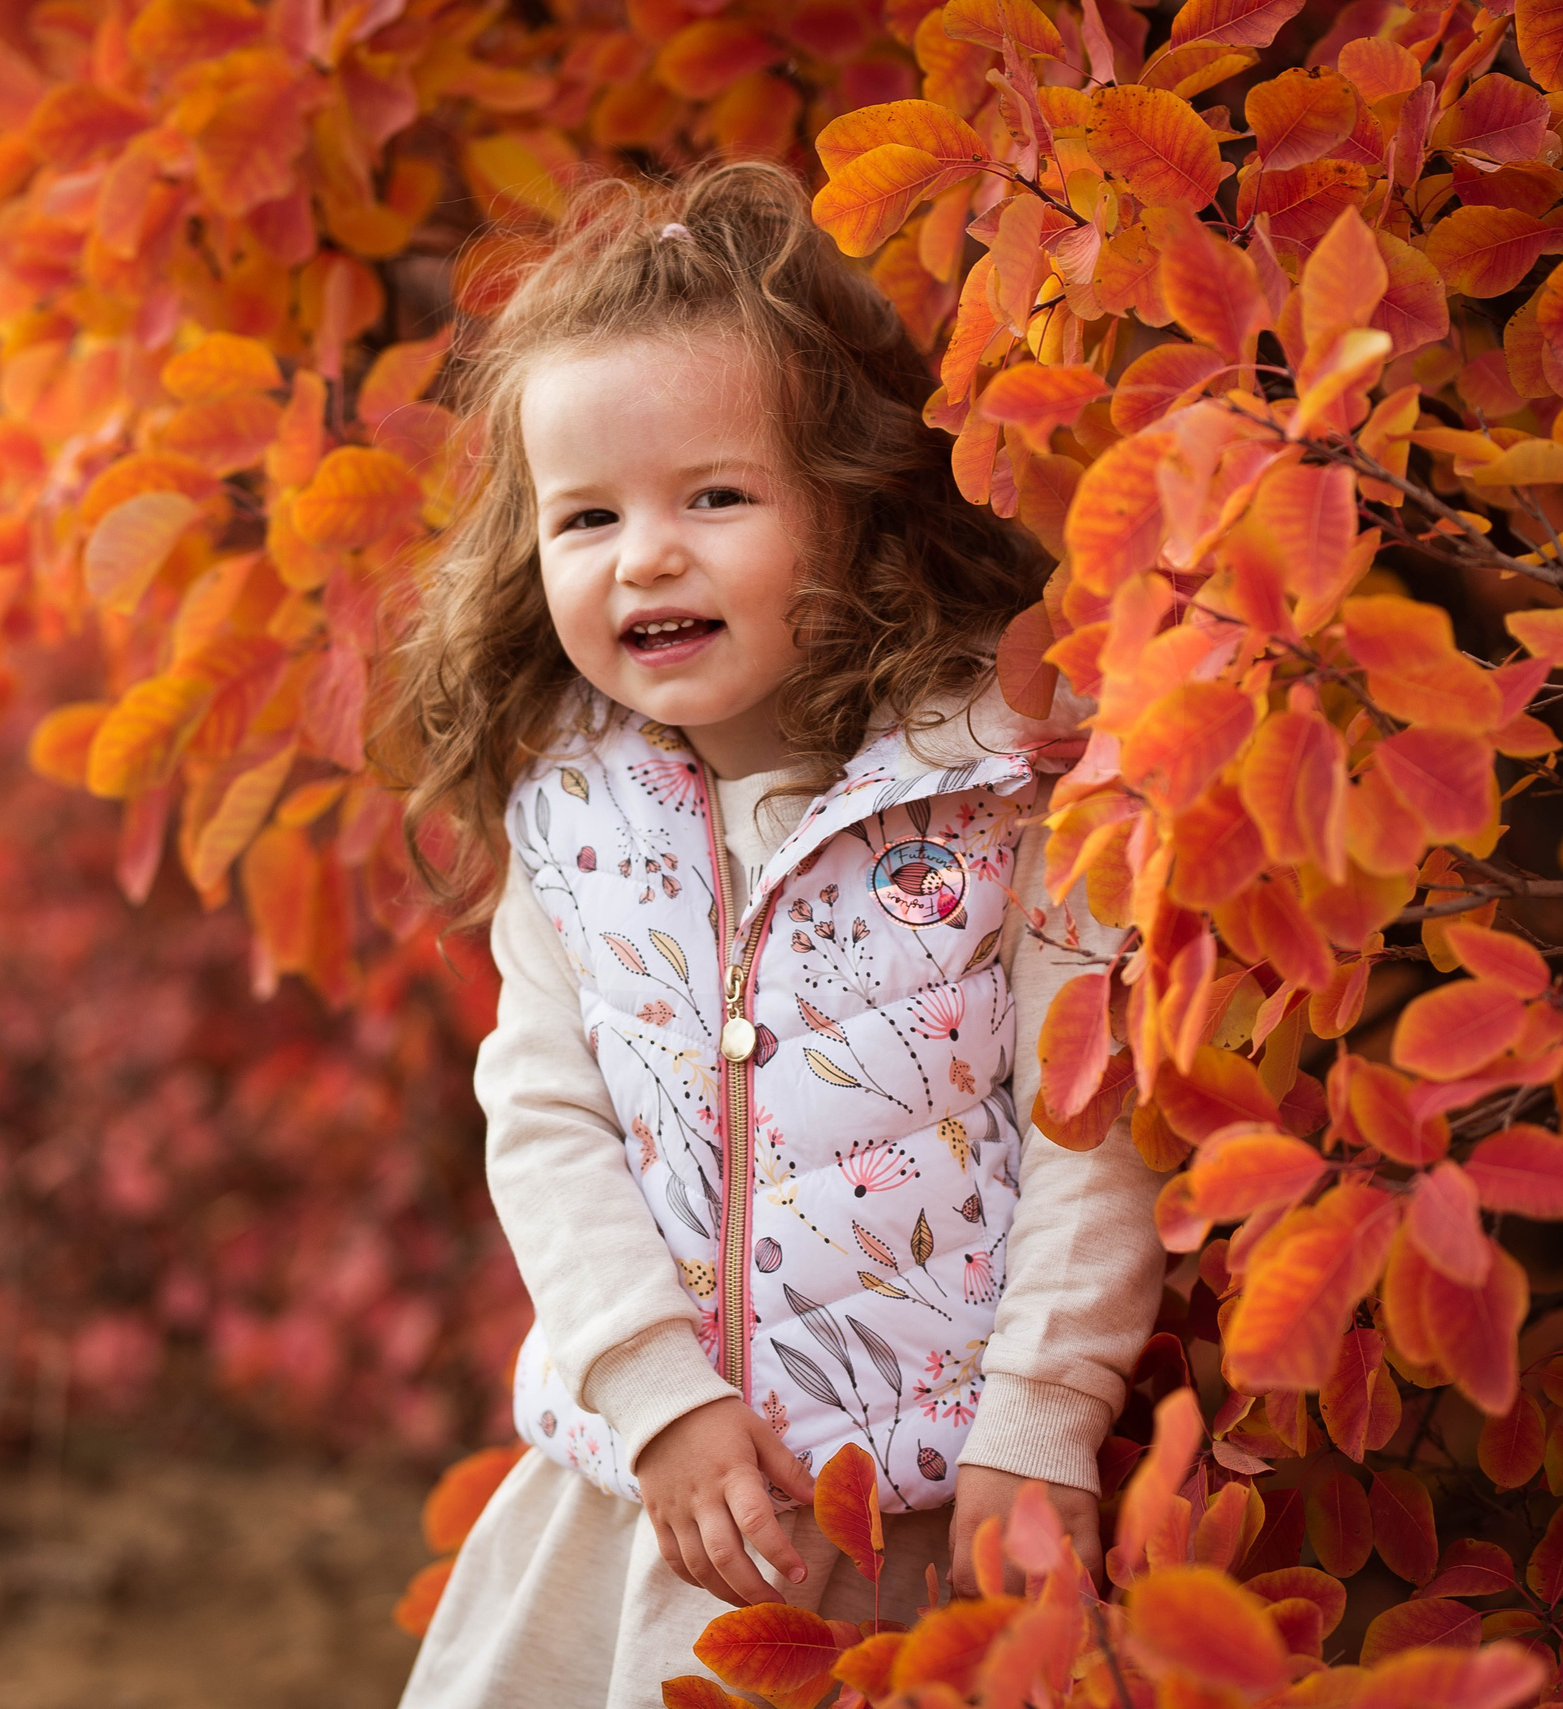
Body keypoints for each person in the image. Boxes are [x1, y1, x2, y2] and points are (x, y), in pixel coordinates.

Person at [380, 161, 1164, 1707]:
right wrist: (654, 1393)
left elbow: (1094, 1124)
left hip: (929, 1509)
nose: (643, 556)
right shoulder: (573, 813)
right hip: (660, 1508)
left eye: (713, 496)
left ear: (856, 501)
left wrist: (1040, 1423)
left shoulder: (1005, 784)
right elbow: (546, 1121)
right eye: (586, 515)